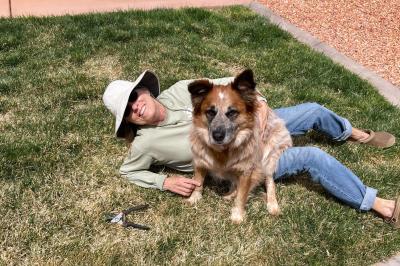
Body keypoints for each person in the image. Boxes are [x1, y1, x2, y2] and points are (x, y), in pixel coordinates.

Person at [103, 70, 399, 228]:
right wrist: (164, 181)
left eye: (134, 96)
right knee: (312, 157)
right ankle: (383, 207)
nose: (135, 106)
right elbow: (128, 170)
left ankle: (355, 135)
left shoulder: (182, 89)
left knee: (313, 110)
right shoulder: (145, 143)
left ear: (144, 90)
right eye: (128, 110)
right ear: (129, 120)